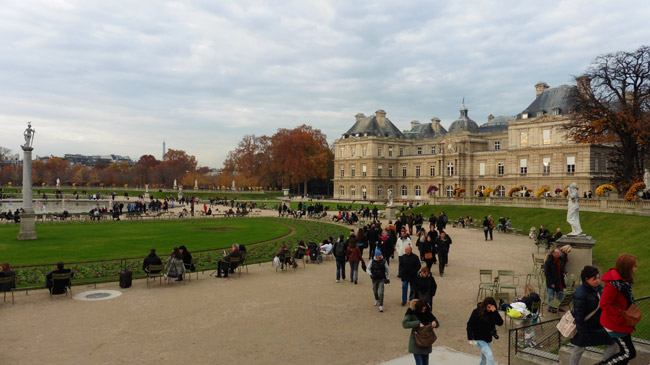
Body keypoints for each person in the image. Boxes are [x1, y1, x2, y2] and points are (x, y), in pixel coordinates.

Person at [569, 266, 618, 365]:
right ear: (586, 279)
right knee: (579, 349)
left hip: (598, 326)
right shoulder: (580, 294)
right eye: (594, 279)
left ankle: (605, 363)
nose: (597, 281)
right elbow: (579, 317)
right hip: (586, 328)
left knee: (613, 342)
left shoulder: (598, 289)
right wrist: (583, 333)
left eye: (598, 277)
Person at [598, 254, 638, 364]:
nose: (636, 268)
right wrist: (620, 318)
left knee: (625, 354)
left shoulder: (624, 281)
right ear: (627, 268)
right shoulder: (613, 285)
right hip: (616, 325)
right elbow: (604, 304)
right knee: (629, 353)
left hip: (623, 323)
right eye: (634, 266)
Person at [467, 297, 503, 365]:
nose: (489, 309)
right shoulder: (476, 312)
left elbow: (500, 323)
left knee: (484, 359)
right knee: (489, 356)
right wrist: (470, 338)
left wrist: (495, 312)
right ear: (485, 306)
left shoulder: (493, 313)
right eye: (488, 307)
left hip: (488, 339)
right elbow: (469, 325)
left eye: (491, 307)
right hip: (479, 338)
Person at [403, 299, 439, 365]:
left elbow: (436, 322)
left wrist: (435, 323)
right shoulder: (411, 312)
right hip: (416, 342)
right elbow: (405, 324)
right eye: (422, 309)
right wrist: (417, 323)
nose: (423, 311)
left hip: (426, 342)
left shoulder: (428, 313)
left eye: (424, 309)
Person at [544, 248, 567, 313]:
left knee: (560, 294)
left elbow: (562, 268)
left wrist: (564, 272)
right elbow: (547, 273)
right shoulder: (548, 262)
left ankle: (556, 306)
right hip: (552, 281)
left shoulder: (560, 260)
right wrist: (551, 283)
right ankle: (550, 307)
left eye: (559, 253)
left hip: (559, 280)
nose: (559, 254)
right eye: (557, 253)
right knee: (551, 295)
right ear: (554, 254)